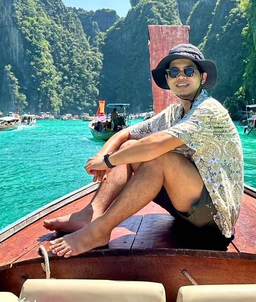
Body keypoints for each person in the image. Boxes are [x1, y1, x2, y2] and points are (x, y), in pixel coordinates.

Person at [45, 43, 244, 258]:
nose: (181, 77)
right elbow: (126, 134)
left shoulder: (209, 110)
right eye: (174, 72)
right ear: (167, 78)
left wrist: (109, 161)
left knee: (159, 158)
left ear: (202, 78)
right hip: (186, 210)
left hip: (214, 220)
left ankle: (100, 230)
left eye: (188, 71)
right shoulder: (174, 113)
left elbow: (157, 144)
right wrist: (102, 156)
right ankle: (91, 214)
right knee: (130, 148)